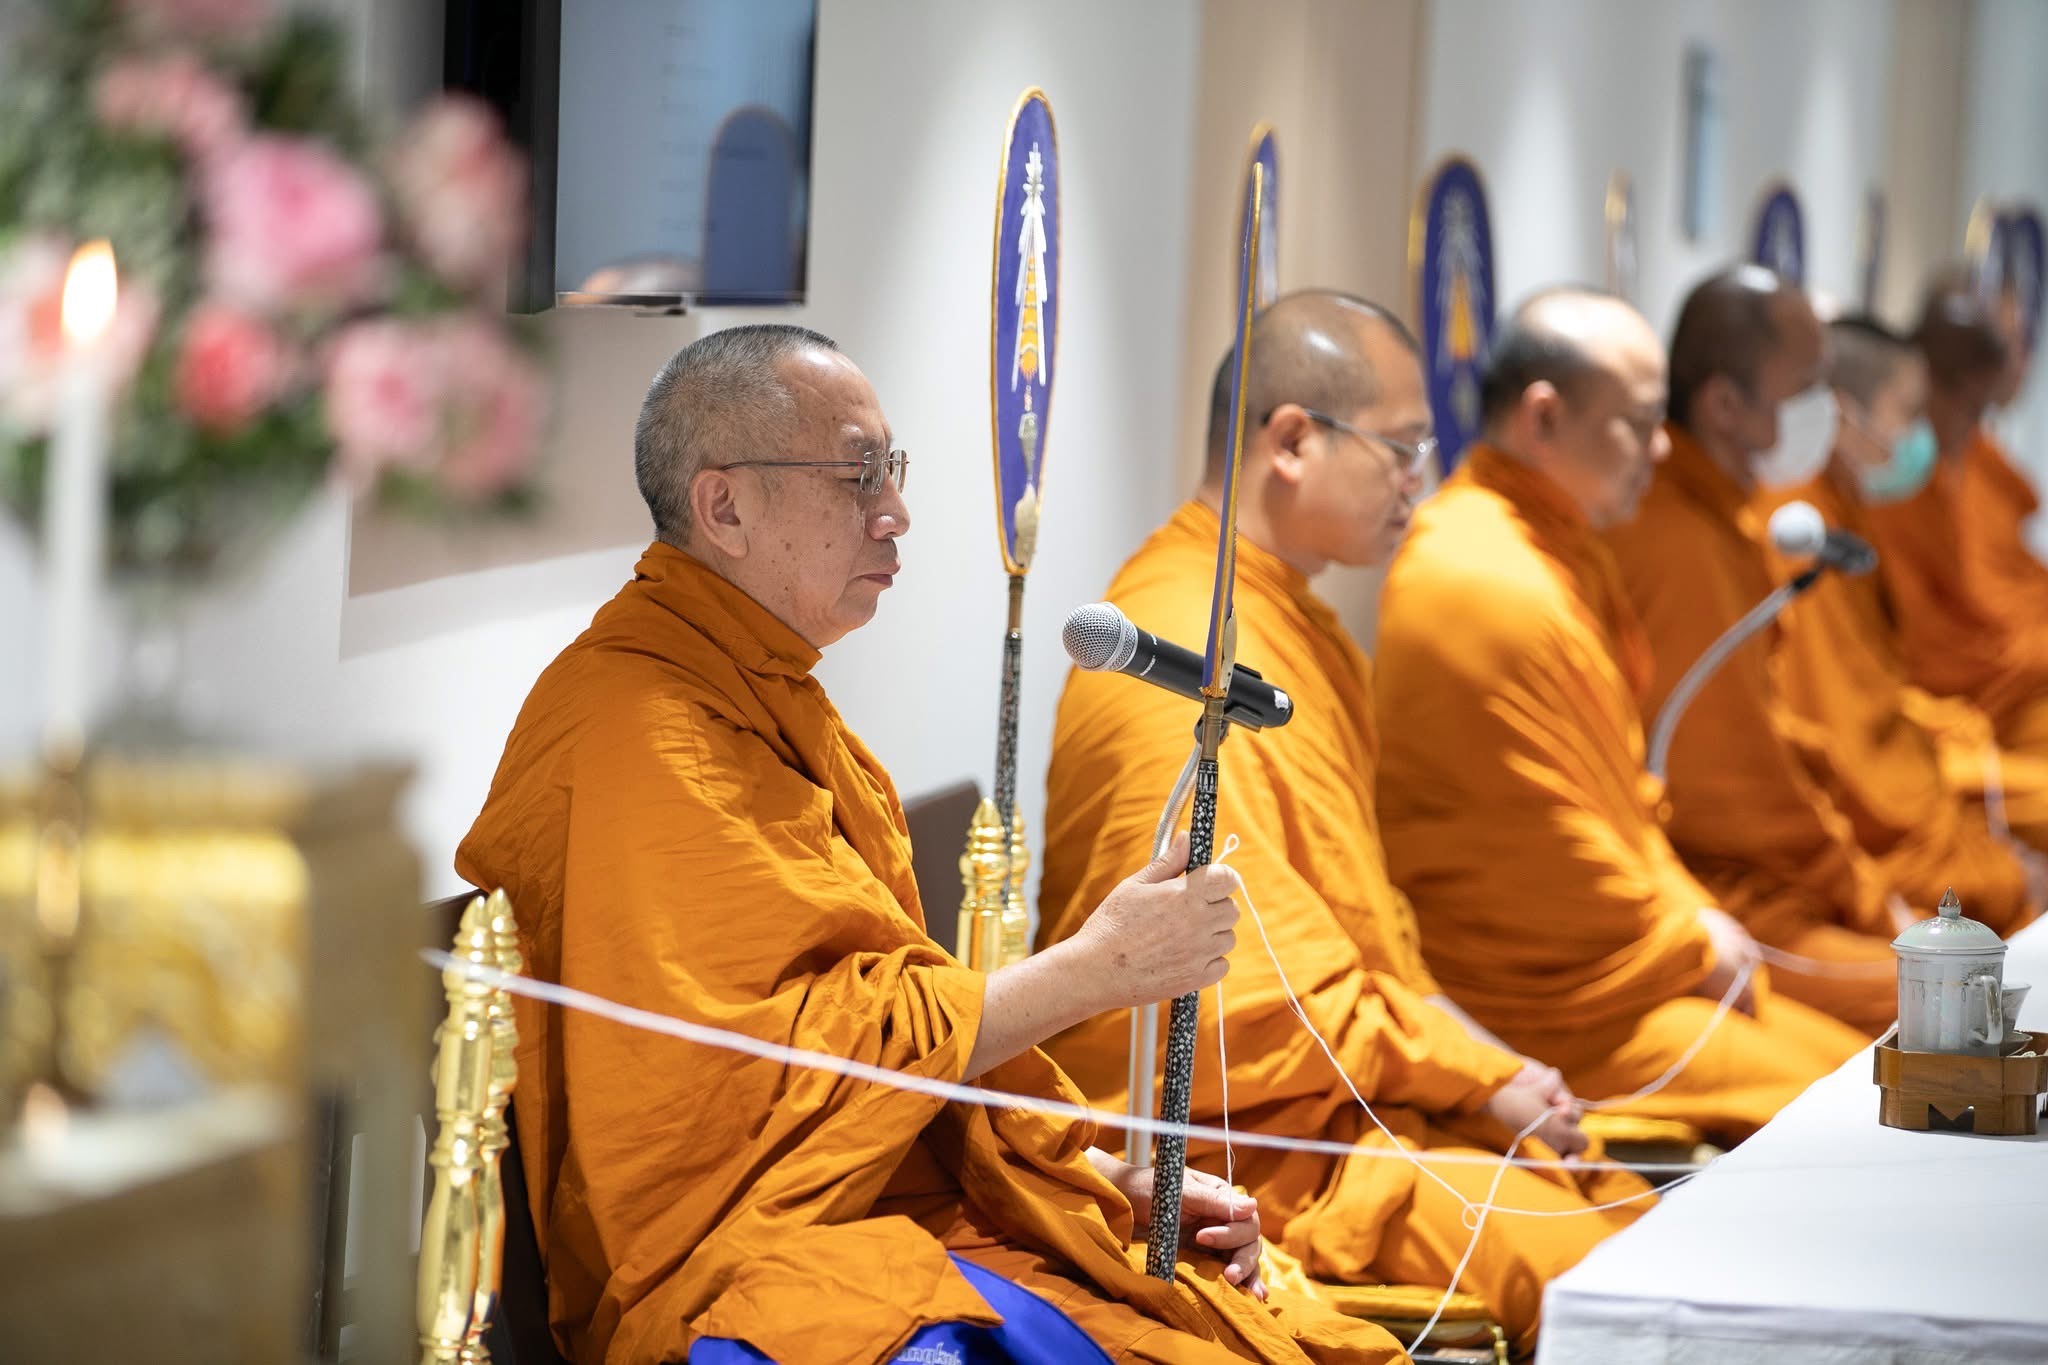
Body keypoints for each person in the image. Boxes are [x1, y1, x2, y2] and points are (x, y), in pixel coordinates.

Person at [457, 325, 1405, 1365]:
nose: (895, 512)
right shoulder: (636, 731)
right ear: (723, 507)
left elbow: (858, 1053)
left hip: (874, 1205)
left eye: (892, 469)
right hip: (747, 1258)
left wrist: (1091, 1181)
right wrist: (1098, 968)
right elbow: (760, 1086)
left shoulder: (766, 693)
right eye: (857, 474)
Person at [1038, 290, 1650, 1357]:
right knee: (1610, 1286)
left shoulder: (1287, 620)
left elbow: (1360, 936)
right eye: (1402, 449)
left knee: (1631, 1222)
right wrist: (1474, 1073)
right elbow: (1242, 1003)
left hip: (1354, 1101)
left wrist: (1479, 1066)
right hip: (1249, 1145)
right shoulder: (1184, 647)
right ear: (1291, 442)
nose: (1419, 480)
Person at [1376, 288, 1869, 1142]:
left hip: (1632, 953)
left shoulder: (1555, 549)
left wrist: (1693, 921)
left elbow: (1616, 804)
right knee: (1851, 1108)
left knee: (1857, 1073)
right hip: (1558, 1005)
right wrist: (1690, 943)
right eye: (1639, 423)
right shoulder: (1482, 576)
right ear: (1544, 416)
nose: (1662, 444)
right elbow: (1547, 861)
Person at [1597, 267, 1904, 1034]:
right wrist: (1866, 896)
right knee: (1948, 1001)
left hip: (1780, 869)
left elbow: (1779, 734)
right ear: (1724, 404)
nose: (1828, 409)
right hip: (1717, 893)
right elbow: (1732, 791)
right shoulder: (1677, 542)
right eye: (1807, 387)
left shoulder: (1731, 516)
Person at [1756, 315, 2042, 932]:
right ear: (1842, 414)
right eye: (1907, 413)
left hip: (1910, 748)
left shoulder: (1847, 505)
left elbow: (1873, 681)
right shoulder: (1797, 529)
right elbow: (1837, 738)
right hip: (1869, 795)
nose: (1920, 436)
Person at [1865, 278, 2048, 764]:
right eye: (1970, 407)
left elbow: (2014, 587)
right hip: (1970, 707)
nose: (1972, 425)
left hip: (2017, 690)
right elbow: (1926, 648)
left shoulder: (1977, 462)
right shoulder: (1888, 482)